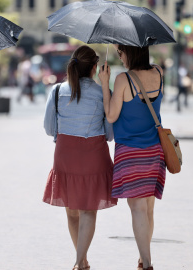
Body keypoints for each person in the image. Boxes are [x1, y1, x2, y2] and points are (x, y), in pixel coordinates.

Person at [43, 45, 117, 270]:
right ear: (95, 68)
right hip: (93, 154)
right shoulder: (102, 93)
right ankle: (79, 260)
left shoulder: (57, 91)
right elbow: (110, 134)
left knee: (71, 211)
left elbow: (49, 128)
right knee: (88, 210)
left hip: (65, 153)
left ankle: (81, 260)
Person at [98, 44, 166, 270]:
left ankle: (146, 263)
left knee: (137, 209)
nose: (120, 57)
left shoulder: (122, 80)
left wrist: (104, 85)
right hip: (155, 151)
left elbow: (111, 115)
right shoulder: (158, 72)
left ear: (130, 52)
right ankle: (143, 257)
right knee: (147, 209)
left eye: (121, 52)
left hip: (131, 153)